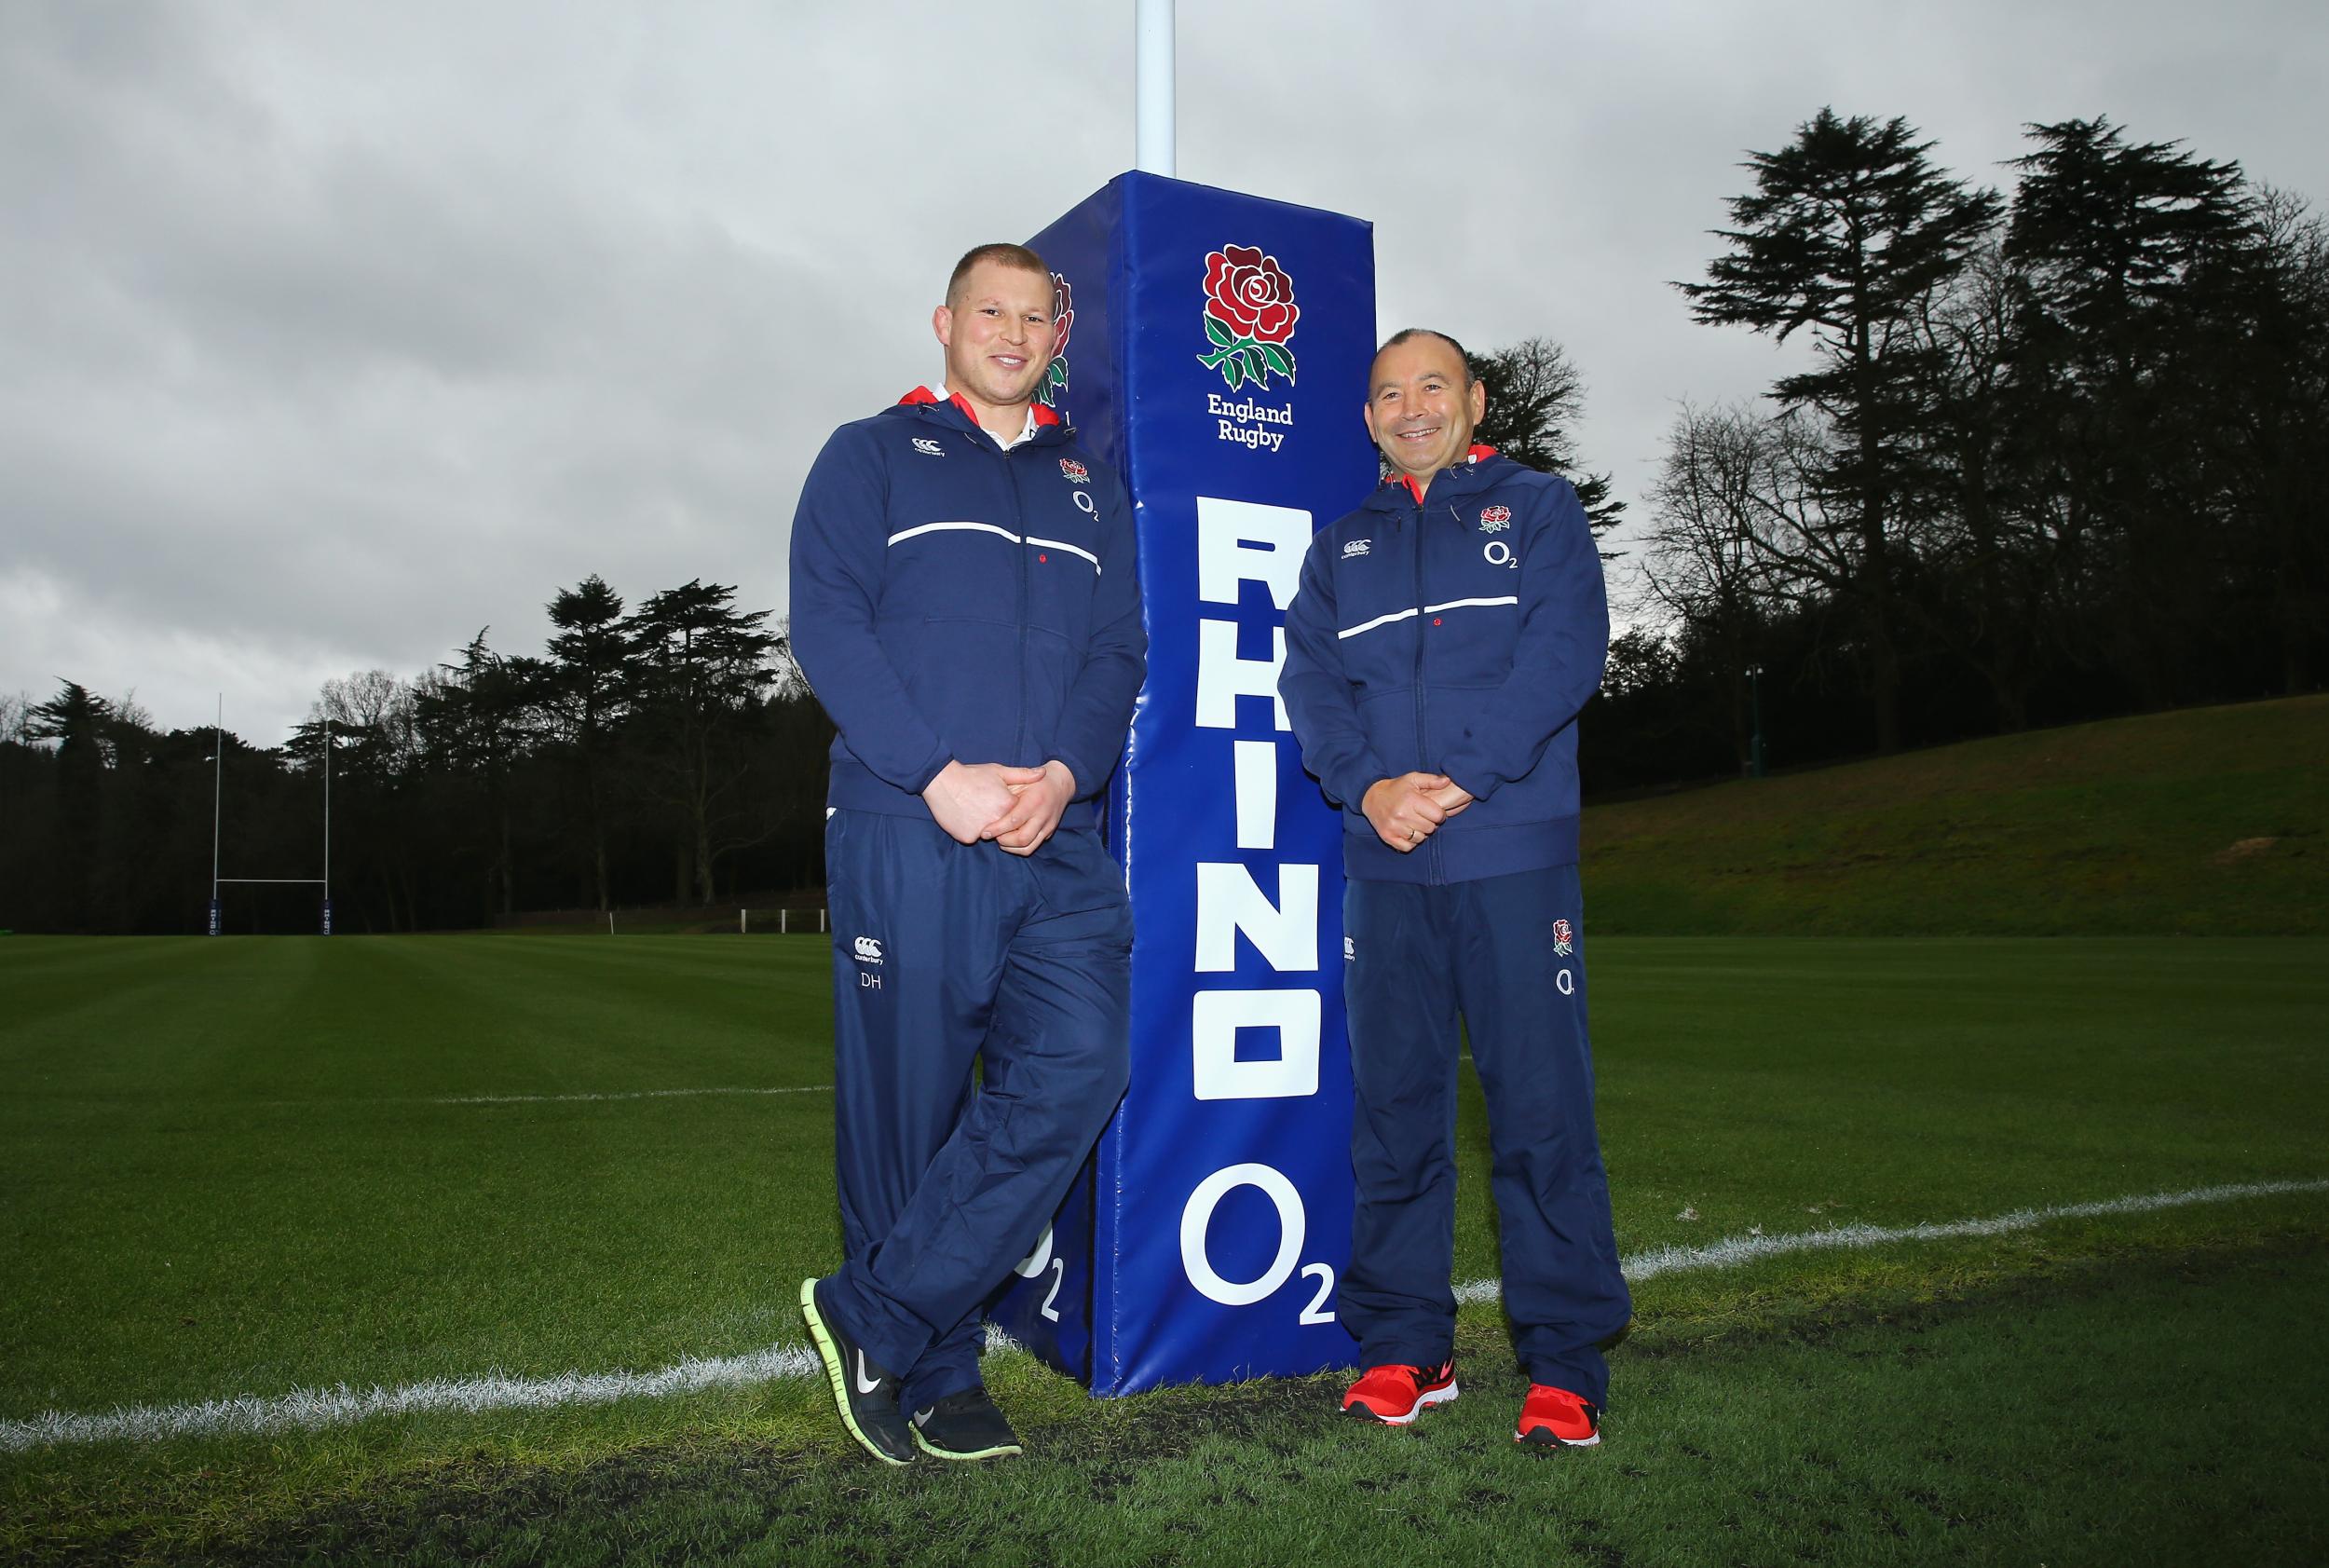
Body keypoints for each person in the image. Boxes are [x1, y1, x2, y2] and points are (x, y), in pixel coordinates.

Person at [786, 242, 1143, 1465]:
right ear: (945, 322)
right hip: (911, 820)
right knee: (910, 1110)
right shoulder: (870, 452)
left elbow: (1118, 655)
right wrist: (934, 772)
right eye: (988, 308)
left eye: (1033, 315)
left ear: (1059, 338)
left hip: (1057, 833)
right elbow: (825, 621)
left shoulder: (1092, 484)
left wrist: (1062, 774)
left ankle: (878, 1311)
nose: (1010, 329)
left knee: (1085, 1061)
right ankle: (935, 1368)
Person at [1279, 328, 1629, 1448]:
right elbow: (1313, 691)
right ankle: (1404, 1346)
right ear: (1369, 417)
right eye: (1387, 392)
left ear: (1474, 399)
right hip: (1384, 868)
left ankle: (1565, 1361)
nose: (1410, 405)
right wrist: (1372, 790)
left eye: (1432, 385)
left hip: (1512, 858)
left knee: (1538, 1113)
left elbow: (1565, 655)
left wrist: (1460, 780)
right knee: (1393, 1119)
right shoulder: (1341, 550)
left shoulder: (1536, 509)